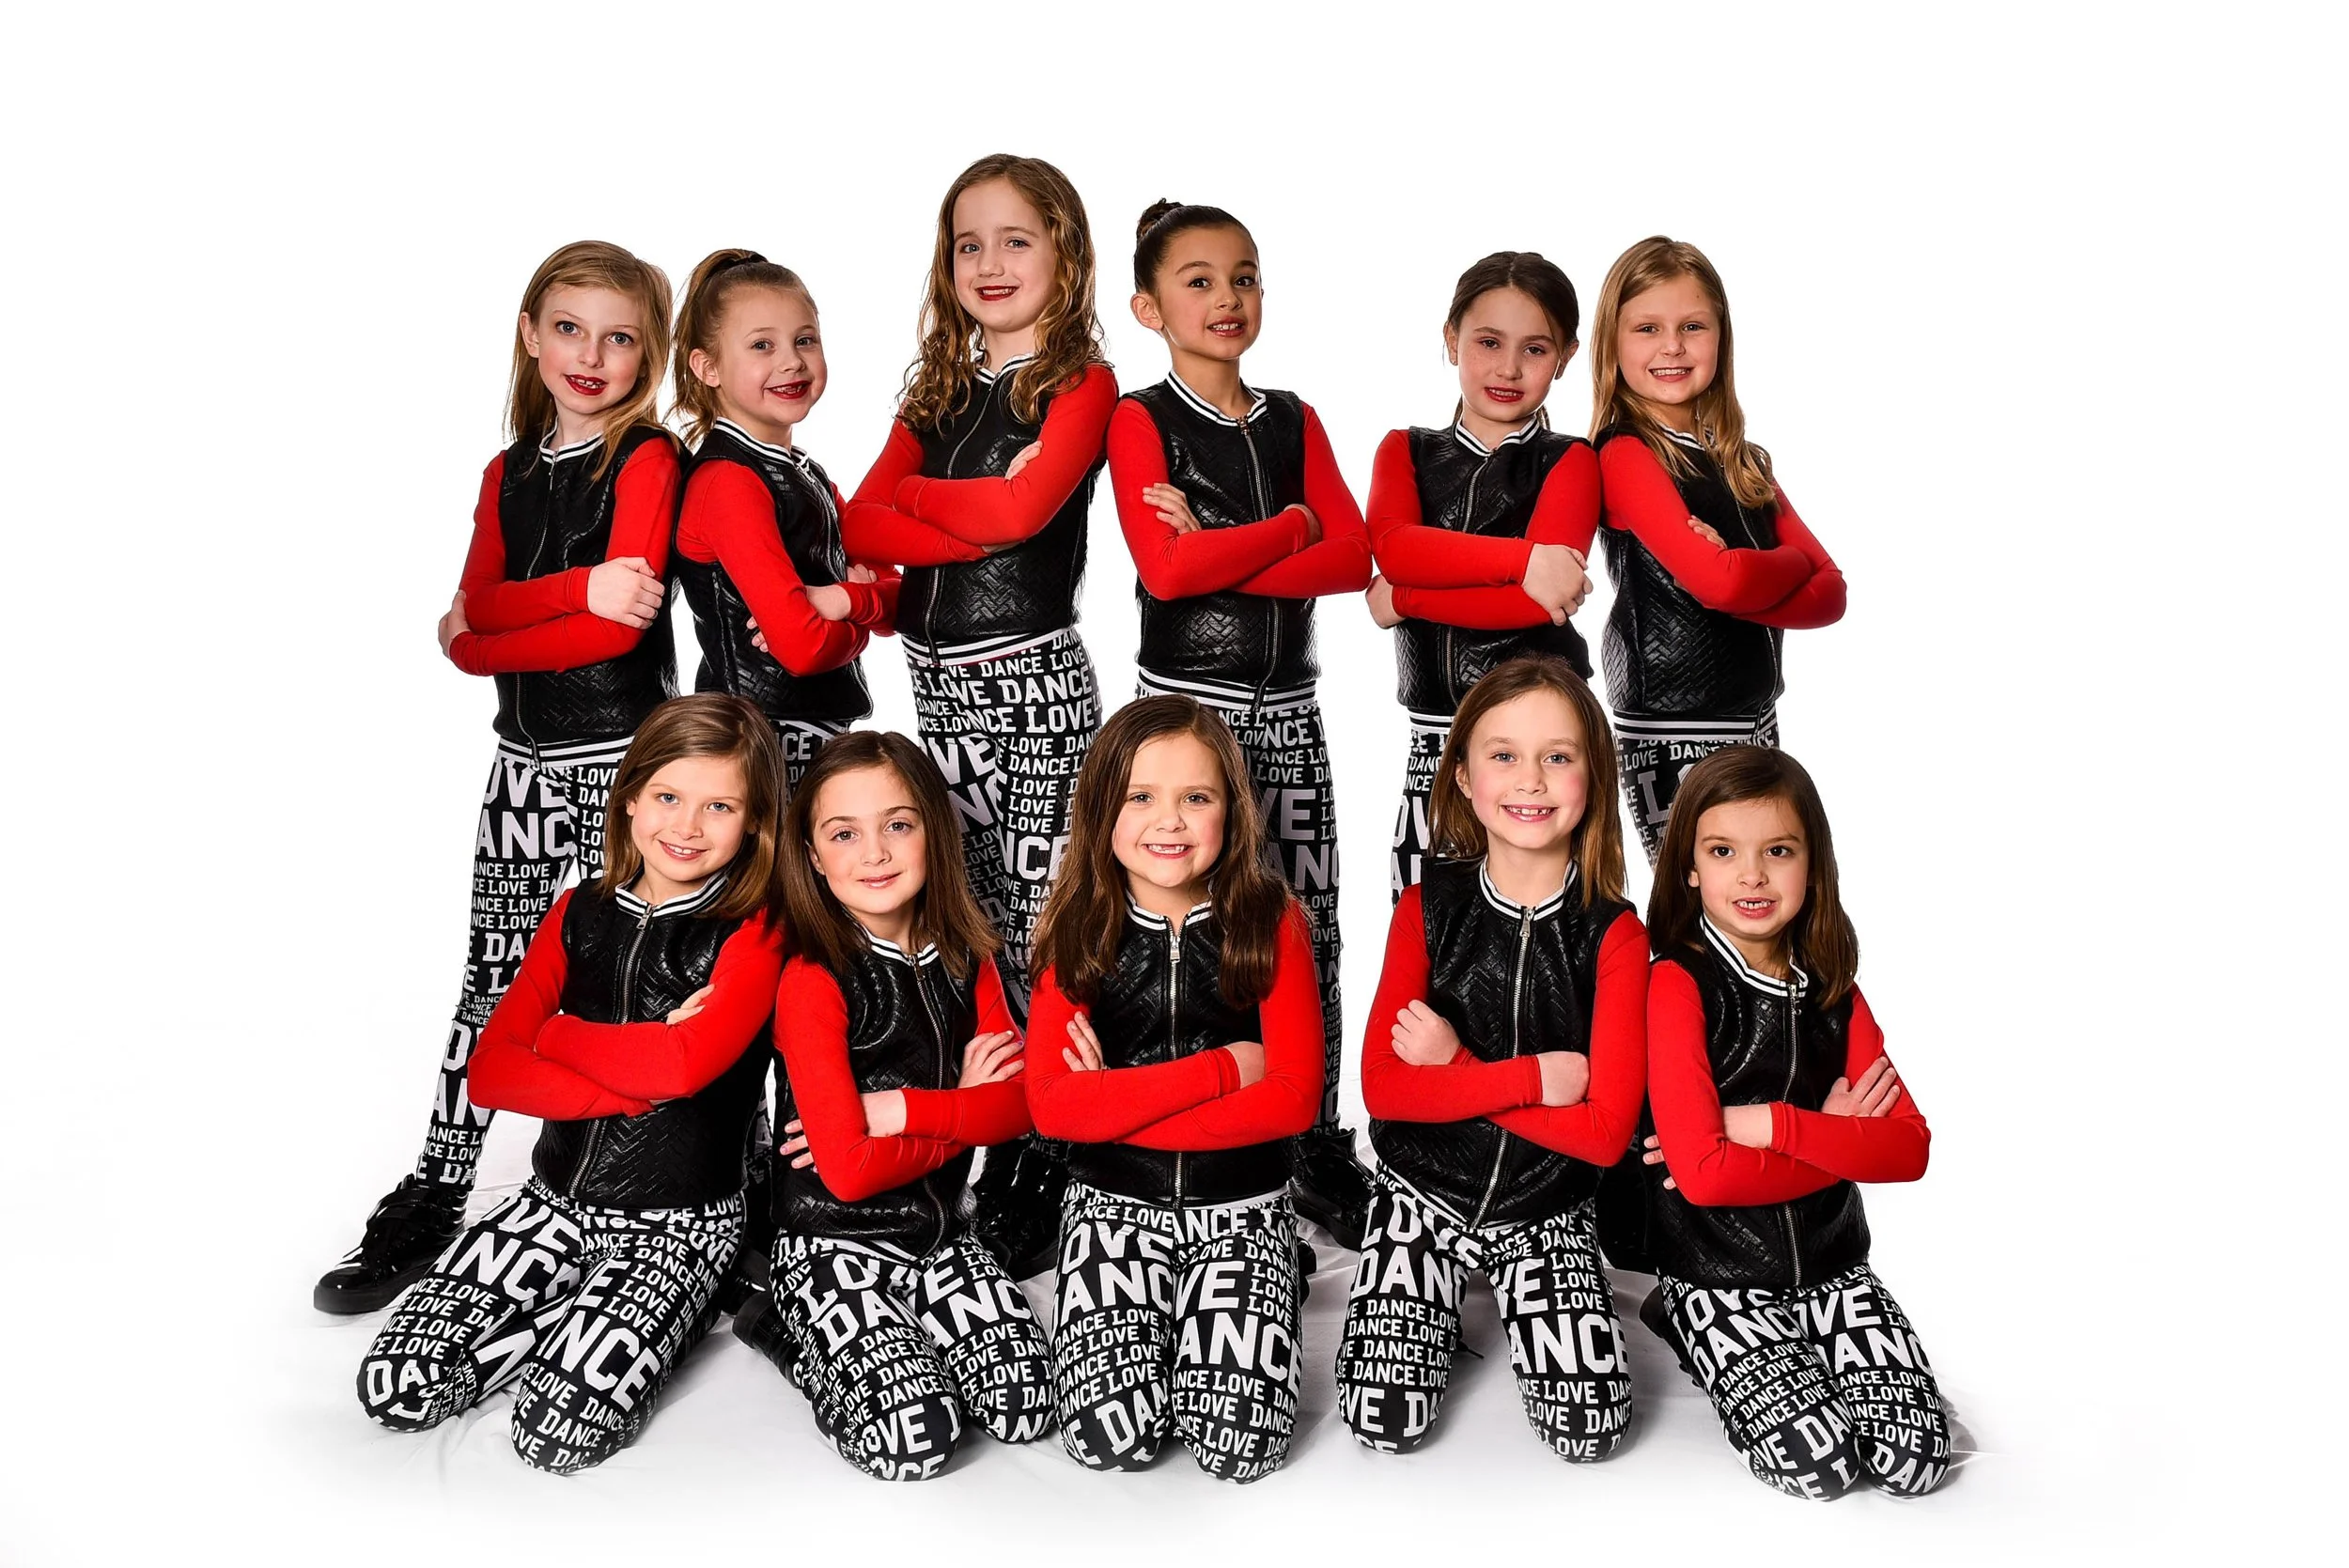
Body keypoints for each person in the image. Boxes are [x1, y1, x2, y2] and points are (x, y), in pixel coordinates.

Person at [317, 241, 681, 1313]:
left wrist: (494, 622)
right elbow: (463, 637)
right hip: (520, 764)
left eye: (619, 337)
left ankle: (693, 1192)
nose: (591, 355)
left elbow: (611, 642)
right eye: (568, 328)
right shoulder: (505, 472)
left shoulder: (649, 461)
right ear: (530, 334)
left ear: (649, 354)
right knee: (490, 978)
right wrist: (559, 599)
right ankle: (437, 1183)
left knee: (651, 979)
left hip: (626, 768)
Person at [354, 694, 786, 1473]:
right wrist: (631, 1066)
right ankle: (563, 1317)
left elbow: (686, 1068)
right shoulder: (577, 912)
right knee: (396, 1386)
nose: (687, 826)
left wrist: (553, 1037)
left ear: (754, 822)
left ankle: (694, 1293)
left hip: (679, 1221)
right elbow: (490, 1071)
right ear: (626, 801)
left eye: (719, 805)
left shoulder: (757, 930)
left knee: (556, 1433)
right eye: (667, 797)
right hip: (552, 1202)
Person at [840, 153, 1117, 1280]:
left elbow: (1024, 508)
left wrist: (932, 514)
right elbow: (860, 519)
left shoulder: (1081, 384)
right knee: (974, 920)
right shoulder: (935, 393)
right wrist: (962, 520)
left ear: (1064, 256)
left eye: (1016, 240)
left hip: (1035, 680)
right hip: (939, 687)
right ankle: (986, 1113)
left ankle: (1044, 1151)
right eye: (969, 244)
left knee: (1052, 918)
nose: (990, 264)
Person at [1107, 198, 1375, 1249]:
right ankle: (1185, 1119)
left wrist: (1227, 535)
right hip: (1185, 717)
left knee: (1306, 923)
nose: (1227, 299)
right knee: (1177, 923)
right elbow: (1166, 572)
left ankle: (1311, 1136)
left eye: (1245, 277)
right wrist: (1286, 525)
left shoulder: (1292, 419)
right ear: (1148, 304)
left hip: (1290, 713)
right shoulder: (1140, 420)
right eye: (1200, 280)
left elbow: (1351, 561)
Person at [1335, 657, 1642, 1460]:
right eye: (1503, 754)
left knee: (1590, 1433)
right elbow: (1386, 1094)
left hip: (1547, 1201)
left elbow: (1606, 1134)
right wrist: (1538, 1076)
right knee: (1382, 1422)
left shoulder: (1614, 932)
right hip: (1423, 1190)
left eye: (1559, 755)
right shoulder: (1427, 906)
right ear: (1464, 777)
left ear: (1593, 777)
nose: (1530, 778)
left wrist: (1455, 1064)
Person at [732, 731, 1054, 1479]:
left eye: (898, 824)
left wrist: (903, 1110)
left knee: (1026, 1407)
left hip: (944, 1234)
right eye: (844, 833)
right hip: (833, 1244)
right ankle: (780, 1325)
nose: (874, 852)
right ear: (813, 853)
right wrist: (961, 1105)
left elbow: (1023, 1110)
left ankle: (913, 1330)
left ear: (932, 833)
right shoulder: (814, 976)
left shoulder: (966, 954)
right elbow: (844, 1171)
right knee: (913, 1437)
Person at [1634, 745, 1948, 1499]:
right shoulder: (1677, 983)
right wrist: (1840, 1136)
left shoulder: (1835, 987)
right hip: (1716, 1273)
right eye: (1723, 851)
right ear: (1690, 869)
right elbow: (1704, 1179)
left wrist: (1772, 1125)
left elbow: (1909, 1149)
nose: (1752, 874)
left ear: (1813, 863)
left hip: (1833, 1262)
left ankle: (1813, 1342)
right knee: (1820, 1464)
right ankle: (1678, 1316)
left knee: (1915, 1460)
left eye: (1778, 850)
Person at [1024, 695, 1322, 1482]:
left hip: (1242, 1207)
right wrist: (1223, 1071)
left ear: (1232, 808)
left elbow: (1295, 1100)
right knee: (1107, 1440)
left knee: (1241, 1447)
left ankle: (1267, 1275)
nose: (1171, 821)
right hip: (1112, 1210)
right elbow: (1053, 1106)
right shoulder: (1078, 926)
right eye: (1141, 797)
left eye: (1197, 797)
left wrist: (1114, 1106)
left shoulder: (1271, 919)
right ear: (1101, 809)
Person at [1587, 236, 1845, 862]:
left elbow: (1832, 591)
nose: (1672, 346)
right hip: (1674, 729)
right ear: (1612, 343)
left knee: (1765, 907)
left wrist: (1738, 566)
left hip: (1755, 719)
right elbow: (1724, 585)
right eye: (1647, 327)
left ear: (1721, 339)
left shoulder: (1743, 461)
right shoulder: (1625, 454)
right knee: (1704, 911)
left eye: (1692, 326)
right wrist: (1782, 570)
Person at [1361, 253, 1598, 896]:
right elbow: (1396, 547)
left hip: (1537, 739)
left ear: (1567, 356)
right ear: (1451, 339)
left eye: (1535, 348)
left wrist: (1404, 599)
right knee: (1424, 914)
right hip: (1434, 733)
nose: (1508, 368)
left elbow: (1536, 606)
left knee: (1546, 918)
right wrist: (1520, 560)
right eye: (1488, 342)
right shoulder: (1404, 449)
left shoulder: (1571, 461)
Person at [671, 247, 897, 789]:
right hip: (754, 740)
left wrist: (843, 602)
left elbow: (900, 603)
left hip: (814, 733)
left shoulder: (808, 474)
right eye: (761, 346)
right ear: (708, 368)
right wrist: (856, 617)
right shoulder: (728, 481)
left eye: (805, 340)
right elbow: (801, 648)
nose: (792, 361)